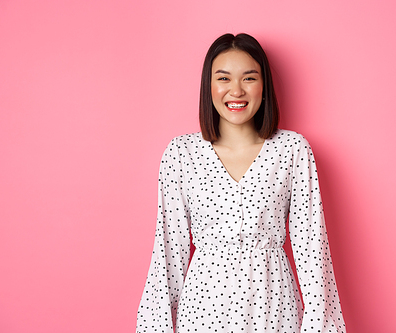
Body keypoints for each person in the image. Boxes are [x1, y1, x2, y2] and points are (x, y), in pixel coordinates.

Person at [136, 33, 346, 333]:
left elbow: (313, 251)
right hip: (203, 312)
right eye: (223, 78)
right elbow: (168, 253)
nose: (236, 90)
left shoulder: (291, 150)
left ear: (264, 87)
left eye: (249, 78)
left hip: (274, 307)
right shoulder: (182, 154)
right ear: (208, 86)